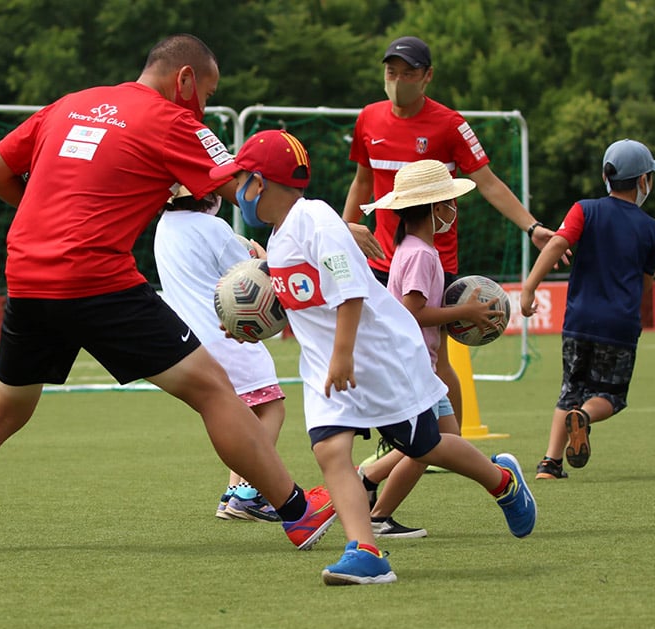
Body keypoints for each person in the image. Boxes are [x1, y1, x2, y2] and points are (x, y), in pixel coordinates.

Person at [0, 34, 336, 554]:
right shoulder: (176, 122)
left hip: (30, 277)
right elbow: (250, 196)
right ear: (184, 79)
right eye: (207, 95)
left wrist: (50, 223)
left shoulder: (69, 104)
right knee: (214, 390)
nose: (205, 108)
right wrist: (328, 228)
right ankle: (298, 513)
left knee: (1, 409)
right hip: (97, 280)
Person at [210, 129, 536, 585]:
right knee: (329, 450)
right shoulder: (281, 238)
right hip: (329, 367)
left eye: (240, 179)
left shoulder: (316, 220)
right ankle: (364, 551)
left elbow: (349, 289)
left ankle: (502, 482)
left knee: (424, 444)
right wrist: (249, 327)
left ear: (260, 183)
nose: (235, 191)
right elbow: (304, 306)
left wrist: (344, 354)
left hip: (380, 357)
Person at [341, 35, 559, 426]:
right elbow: (361, 180)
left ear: (427, 77)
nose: (398, 80)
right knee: (379, 352)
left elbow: (488, 182)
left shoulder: (450, 125)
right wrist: (345, 232)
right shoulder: (368, 119)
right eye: (392, 72)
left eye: (409, 73)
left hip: (432, 259)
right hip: (380, 256)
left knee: (434, 357)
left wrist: (532, 227)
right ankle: (407, 438)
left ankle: (453, 443)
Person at [358, 160, 507, 538]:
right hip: (413, 367)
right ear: (436, 209)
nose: (453, 211)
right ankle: (377, 517)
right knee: (434, 446)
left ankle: (372, 483)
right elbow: (413, 312)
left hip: (417, 365)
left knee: (440, 443)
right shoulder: (422, 254)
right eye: (449, 203)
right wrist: (468, 311)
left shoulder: (413, 247)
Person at [521, 139, 655, 480]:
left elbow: (558, 243)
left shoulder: (584, 209)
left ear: (606, 175)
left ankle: (550, 463)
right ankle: (585, 417)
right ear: (643, 181)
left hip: (578, 320)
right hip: (619, 325)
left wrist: (530, 288)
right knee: (610, 395)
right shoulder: (651, 229)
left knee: (569, 389)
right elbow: (644, 286)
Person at [154, 185, 285, 523]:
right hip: (227, 334)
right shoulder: (213, 228)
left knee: (236, 413)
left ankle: (235, 490)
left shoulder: (165, 225)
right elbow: (252, 279)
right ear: (209, 195)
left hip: (192, 341)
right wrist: (264, 260)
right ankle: (251, 492)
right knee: (272, 408)